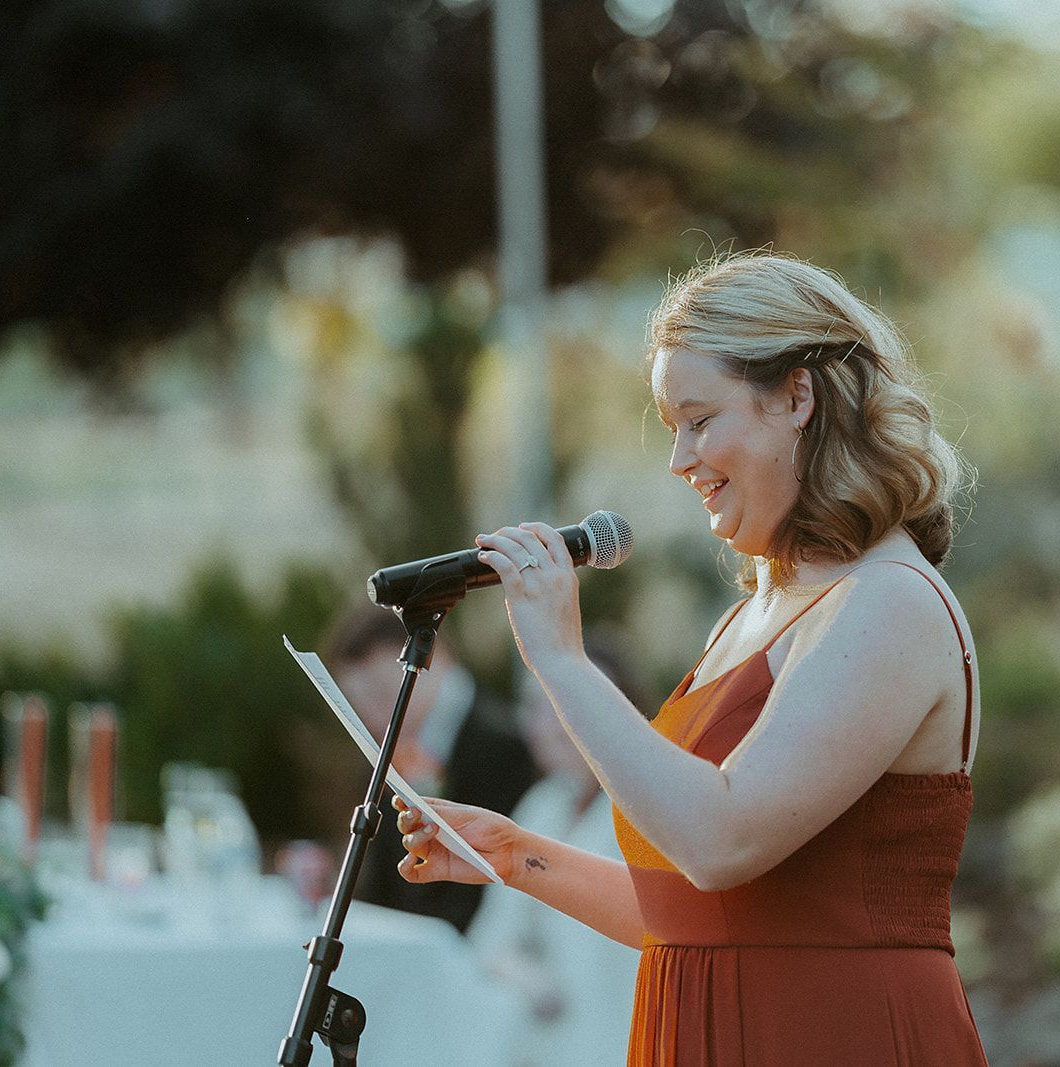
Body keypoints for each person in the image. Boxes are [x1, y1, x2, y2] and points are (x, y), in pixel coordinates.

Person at [395, 252, 990, 1065]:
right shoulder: (753, 614)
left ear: (797, 397)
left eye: (701, 419)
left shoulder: (891, 601)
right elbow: (701, 914)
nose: (679, 459)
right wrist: (517, 856)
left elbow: (720, 840)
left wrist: (562, 660)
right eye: (673, 426)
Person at [466, 637, 646, 1066]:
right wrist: (523, 976)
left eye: (564, 703)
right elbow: (491, 936)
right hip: (545, 1037)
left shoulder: (645, 811)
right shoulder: (542, 805)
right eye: (537, 706)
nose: (552, 722)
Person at [325, 602, 539, 930]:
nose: (373, 716)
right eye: (359, 703)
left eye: (382, 694)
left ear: (432, 658)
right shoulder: (388, 744)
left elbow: (498, 879)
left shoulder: (501, 746)